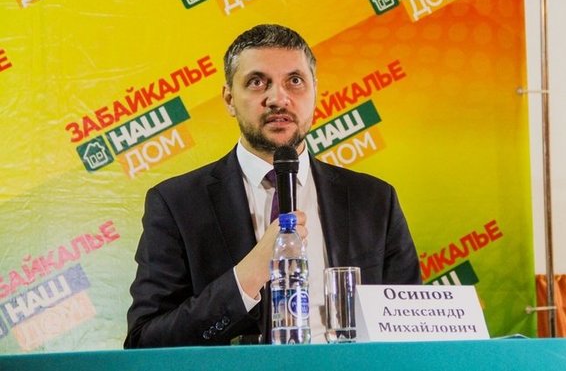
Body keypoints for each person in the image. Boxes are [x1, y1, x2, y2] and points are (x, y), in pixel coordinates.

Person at [124, 24, 420, 348]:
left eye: (295, 81)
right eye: (257, 82)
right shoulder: (176, 204)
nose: (278, 99)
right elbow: (145, 341)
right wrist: (247, 277)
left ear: (315, 92)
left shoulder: (375, 200)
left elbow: (409, 332)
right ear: (229, 99)